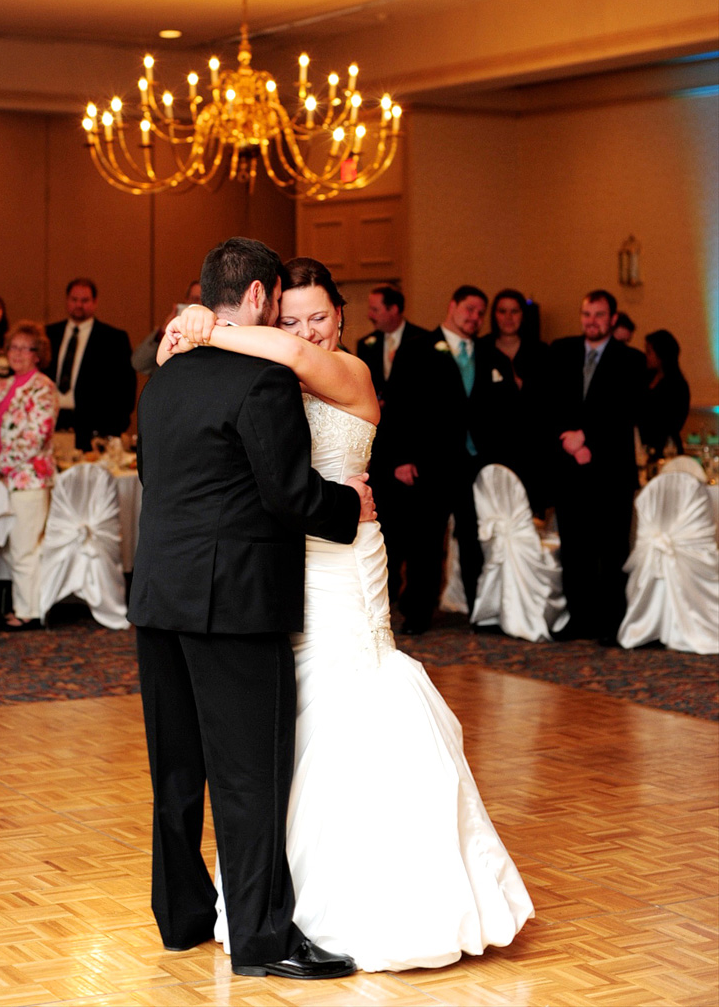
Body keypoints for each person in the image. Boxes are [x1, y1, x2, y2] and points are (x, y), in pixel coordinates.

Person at [165, 257, 534, 973]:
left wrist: (208, 327)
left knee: (353, 692)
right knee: (293, 712)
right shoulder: (267, 374)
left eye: (320, 315)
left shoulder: (353, 374)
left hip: (347, 559)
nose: (307, 329)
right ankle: (278, 902)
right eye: (292, 317)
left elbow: (300, 359)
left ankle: (377, 901)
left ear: (343, 316)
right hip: (288, 557)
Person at [130, 237, 368, 981]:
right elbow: (290, 492)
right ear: (263, 297)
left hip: (158, 595)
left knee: (175, 769)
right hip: (233, 602)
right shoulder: (260, 379)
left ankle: (180, 917)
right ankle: (265, 939)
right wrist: (349, 505)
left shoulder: (162, 376)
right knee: (249, 775)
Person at [387, 285, 497, 631]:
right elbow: (398, 407)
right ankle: (419, 612)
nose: (474, 317)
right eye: (469, 308)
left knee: (474, 539)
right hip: (429, 462)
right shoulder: (417, 349)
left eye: (481, 312)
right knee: (426, 542)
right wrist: (401, 458)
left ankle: (481, 611)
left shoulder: (488, 354)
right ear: (452, 306)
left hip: (473, 464)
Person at [548, 290, 641, 644]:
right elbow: (548, 400)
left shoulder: (630, 360)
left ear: (613, 319)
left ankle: (610, 624)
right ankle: (579, 619)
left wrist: (587, 439)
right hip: (569, 468)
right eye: (587, 314)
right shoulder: (562, 350)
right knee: (574, 550)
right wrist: (567, 438)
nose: (592, 321)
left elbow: (625, 411)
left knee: (612, 550)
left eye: (599, 315)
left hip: (611, 471)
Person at [0, 322, 59, 629]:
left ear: (37, 354)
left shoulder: (43, 386)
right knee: (13, 546)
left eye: (24, 348)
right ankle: (22, 606)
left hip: (28, 477)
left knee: (26, 546)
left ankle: (29, 612)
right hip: (1, 477)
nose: (16, 353)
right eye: (12, 347)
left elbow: (36, 435)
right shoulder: (1, 387)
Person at [356, 285, 427, 606]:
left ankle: (416, 596)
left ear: (395, 309)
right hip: (380, 451)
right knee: (386, 526)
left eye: (375, 309)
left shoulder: (423, 341)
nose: (370, 315)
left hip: (412, 451)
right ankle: (389, 587)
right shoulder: (366, 345)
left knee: (417, 532)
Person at [476, 289, 550, 516]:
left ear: (523, 315)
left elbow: (548, 403)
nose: (508, 317)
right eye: (502, 311)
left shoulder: (541, 351)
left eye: (515, 311)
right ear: (494, 315)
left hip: (533, 452)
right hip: (493, 451)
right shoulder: (481, 350)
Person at [45, 279, 135, 451]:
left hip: (94, 427)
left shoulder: (114, 339)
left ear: (95, 302)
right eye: (74, 299)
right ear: (67, 300)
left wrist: (113, 428)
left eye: (85, 300)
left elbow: (125, 389)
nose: (79, 305)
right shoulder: (49, 335)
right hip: (52, 421)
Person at [132, 280, 202, 378]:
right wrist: (164, 332)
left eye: (203, 300)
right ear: (186, 301)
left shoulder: (220, 333)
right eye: (195, 299)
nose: (198, 305)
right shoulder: (172, 331)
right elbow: (138, 363)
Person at [639, 329, 690, 460]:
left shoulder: (677, 385)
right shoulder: (646, 378)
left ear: (661, 355)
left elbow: (674, 422)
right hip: (644, 447)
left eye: (649, 352)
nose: (646, 356)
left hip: (666, 449)